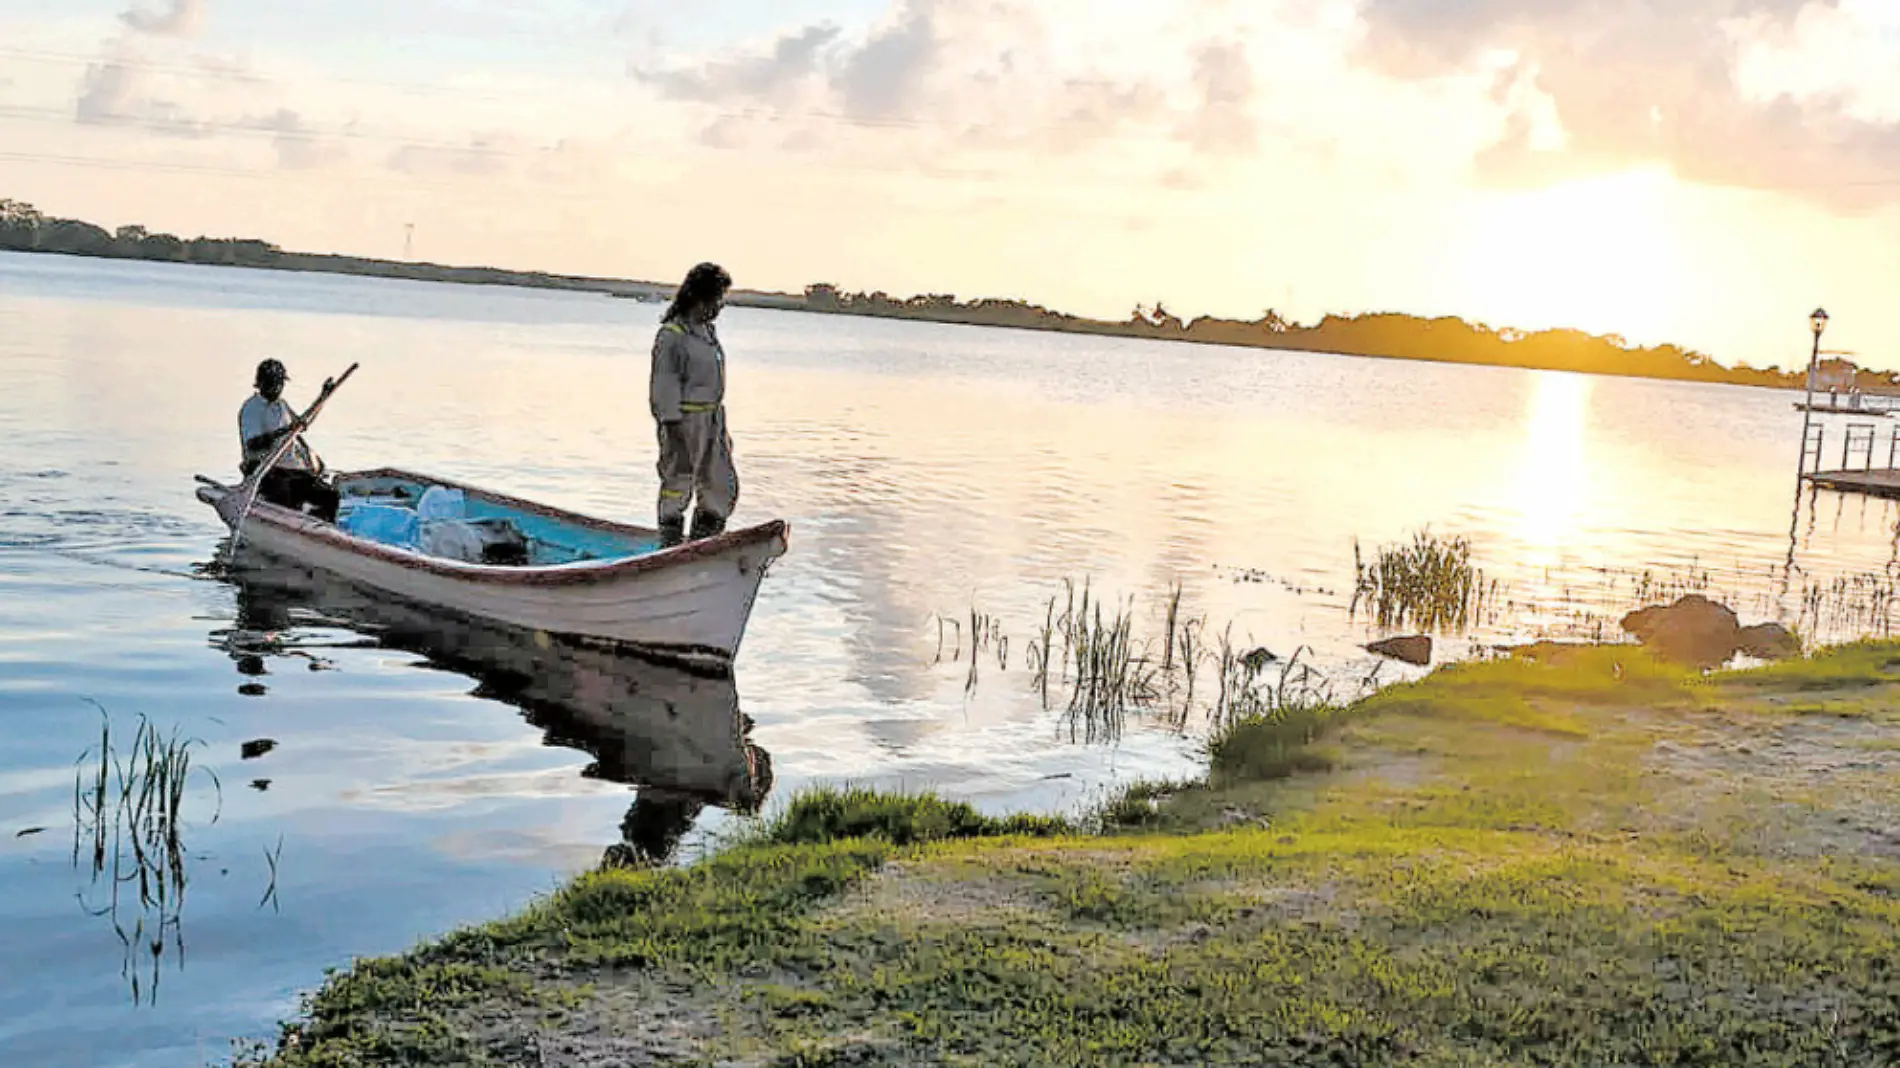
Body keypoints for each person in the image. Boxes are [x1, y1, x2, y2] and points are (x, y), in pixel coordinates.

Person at [649, 262, 739, 547]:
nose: (720, 306)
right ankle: (670, 546)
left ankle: (703, 544)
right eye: (717, 298)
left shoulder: (707, 333)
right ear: (699, 297)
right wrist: (673, 432)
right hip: (683, 421)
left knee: (720, 484)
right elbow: (664, 387)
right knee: (678, 482)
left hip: (712, 420)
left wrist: (720, 429)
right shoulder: (672, 335)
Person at [239, 358, 340, 523]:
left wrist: (323, 397)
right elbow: (254, 443)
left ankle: (321, 528)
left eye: (280, 383)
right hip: (265, 470)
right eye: (272, 383)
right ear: (261, 383)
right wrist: (286, 430)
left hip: (291, 470)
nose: (277, 387)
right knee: (284, 495)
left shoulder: (282, 405)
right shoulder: (252, 408)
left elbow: (303, 422)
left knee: (329, 495)